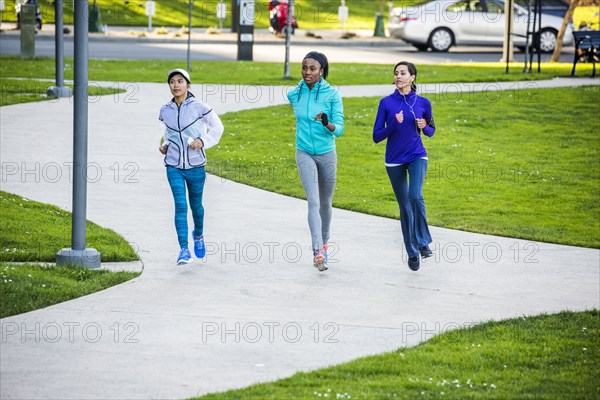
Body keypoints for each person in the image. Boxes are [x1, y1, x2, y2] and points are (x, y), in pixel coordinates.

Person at [372, 61, 435, 272]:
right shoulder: (386, 103)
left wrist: (424, 126)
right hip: (394, 160)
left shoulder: (423, 103)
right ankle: (412, 252)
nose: (398, 76)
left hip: (417, 155)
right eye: (396, 73)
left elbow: (431, 131)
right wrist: (393, 125)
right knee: (405, 207)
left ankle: (423, 241)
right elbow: (376, 137)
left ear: (412, 77)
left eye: (403, 73)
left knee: (415, 196)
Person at [159, 69, 224, 265]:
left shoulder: (199, 107)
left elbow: (218, 127)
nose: (176, 85)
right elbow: (168, 132)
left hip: (196, 166)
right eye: (172, 82)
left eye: (180, 81)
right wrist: (165, 145)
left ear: (188, 85)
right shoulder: (165, 110)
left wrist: (202, 141)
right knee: (180, 205)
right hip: (174, 165)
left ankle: (199, 235)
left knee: (196, 206)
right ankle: (184, 250)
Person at [287, 52, 344, 272]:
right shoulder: (295, 94)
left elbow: (339, 130)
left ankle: (325, 240)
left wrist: (327, 123)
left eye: (312, 69)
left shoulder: (332, 95)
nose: (307, 72)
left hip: (327, 153)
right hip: (304, 153)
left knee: (326, 202)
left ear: (321, 71)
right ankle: (317, 250)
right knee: (313, 201)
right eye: (304, 68)